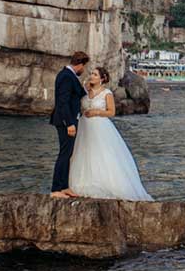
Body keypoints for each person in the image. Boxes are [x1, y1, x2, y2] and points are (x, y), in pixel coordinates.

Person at [63, 66, 153, 201]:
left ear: (102, 79)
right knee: (83, 153)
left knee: (102, 153)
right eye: (91, 74)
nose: (91, 76)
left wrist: (96, 112)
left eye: (95, 75)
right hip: (84, 126)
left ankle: (105, 183)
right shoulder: (85, 91)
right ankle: (79, 183)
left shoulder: (107, 93)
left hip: (100, 126)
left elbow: (111, 112)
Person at [49, 51, 89, 197]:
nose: (83, 70)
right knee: (64, 154)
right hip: (66, 121)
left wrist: (86, 88)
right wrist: (69, 123)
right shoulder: (66, 76)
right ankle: (55, 189)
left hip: (69, 119)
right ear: (80, 64)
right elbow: (63, 102)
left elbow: (76, 95)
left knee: (68, 153)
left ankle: (64, 186)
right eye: (84, 67)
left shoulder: (68, 75)